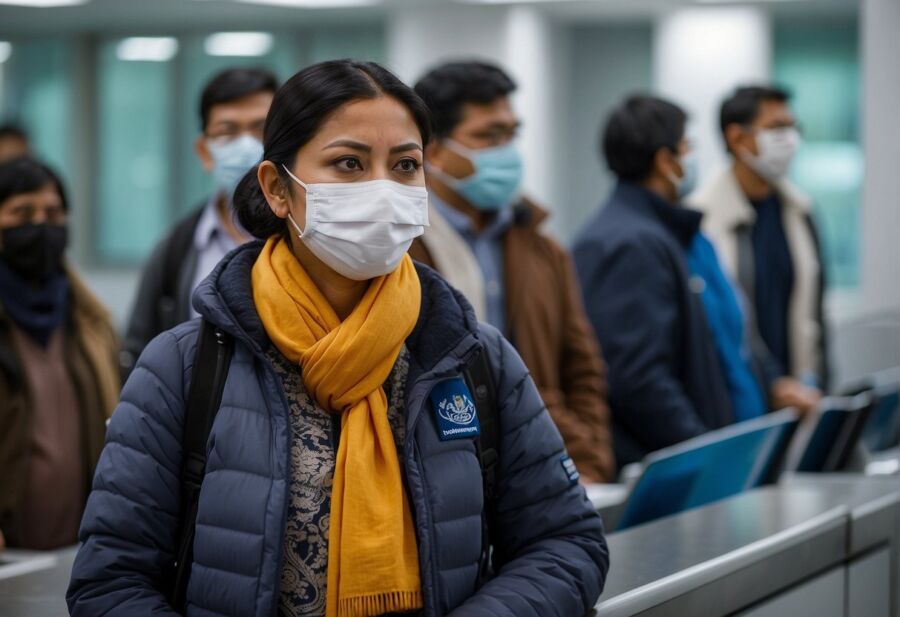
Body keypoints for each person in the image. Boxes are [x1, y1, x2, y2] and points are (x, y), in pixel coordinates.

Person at [67, 60, 608, 617]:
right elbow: (110, 583)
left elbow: (566, 543)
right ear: (278, 188)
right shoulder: (185, 366)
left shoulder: (471, 355)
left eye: (405, 165)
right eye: (348, 163)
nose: (382, 188)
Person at [573, 95, 816, 468]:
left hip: (730, 451)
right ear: (665, 161)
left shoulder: (682, 232)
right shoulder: (628, 243)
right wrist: (704, 452)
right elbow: (639, 379)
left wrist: (771, 383)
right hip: (685, 470)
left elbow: (732, 332)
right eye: (687, 148)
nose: (693, 159)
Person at [410, 61, 616, 483]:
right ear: (433, 150)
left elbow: (581, 367)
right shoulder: (403, 244)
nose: (505, 151)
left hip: (542, 463)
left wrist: (590, 460)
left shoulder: (541, 248)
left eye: (510, 134)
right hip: (440, 469)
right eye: (488, 136)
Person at [122, 67, 277, 373]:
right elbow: (140, 353)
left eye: (260, 129)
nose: (246, 145)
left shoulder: (308, 236)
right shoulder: (176, 250)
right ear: (204, 151)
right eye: (227, 132)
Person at [0, 156, 120, 551]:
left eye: (52, 212)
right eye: (22, 213)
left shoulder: (90, 322)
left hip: (80, 546)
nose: (40, 225)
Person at [688, 85, 829, 389]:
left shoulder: (800, 211)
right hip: (736, 396)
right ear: (737, 138)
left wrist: (819, 382)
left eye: (793, 127)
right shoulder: (699, 218)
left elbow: (817, 312)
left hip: (802, 392)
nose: (789, 139)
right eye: (777, 128)